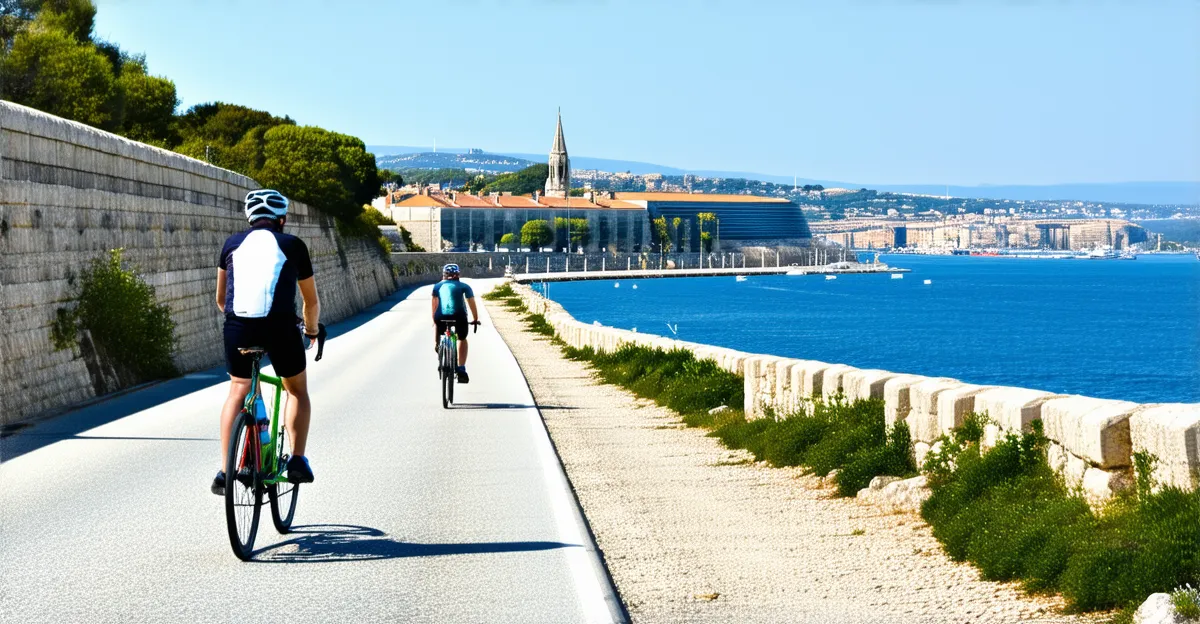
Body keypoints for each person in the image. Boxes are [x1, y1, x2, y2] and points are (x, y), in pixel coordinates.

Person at [211, 189, 321, 495]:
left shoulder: (232, 244)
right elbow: (310, 302)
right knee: (296, 390)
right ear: (282, 219)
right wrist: (311, 331)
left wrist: (243, 323)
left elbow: (222, 299)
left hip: (238, 327)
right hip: (281, 328)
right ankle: (297, 460)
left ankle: (225, 471)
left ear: (250, 218)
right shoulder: (293, 245)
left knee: (238, 389)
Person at [431, 264, 479, 383]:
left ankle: (437, 345)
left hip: (440, 317)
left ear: (444, 275)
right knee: (462, 338)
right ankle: (461, 368)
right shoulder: (465, 286)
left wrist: (434, 319)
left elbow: (434, 305)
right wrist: (475, 318)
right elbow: (471, 302)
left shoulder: (437, 286)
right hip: (460, 316)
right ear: (458, 275)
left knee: (437, 323)